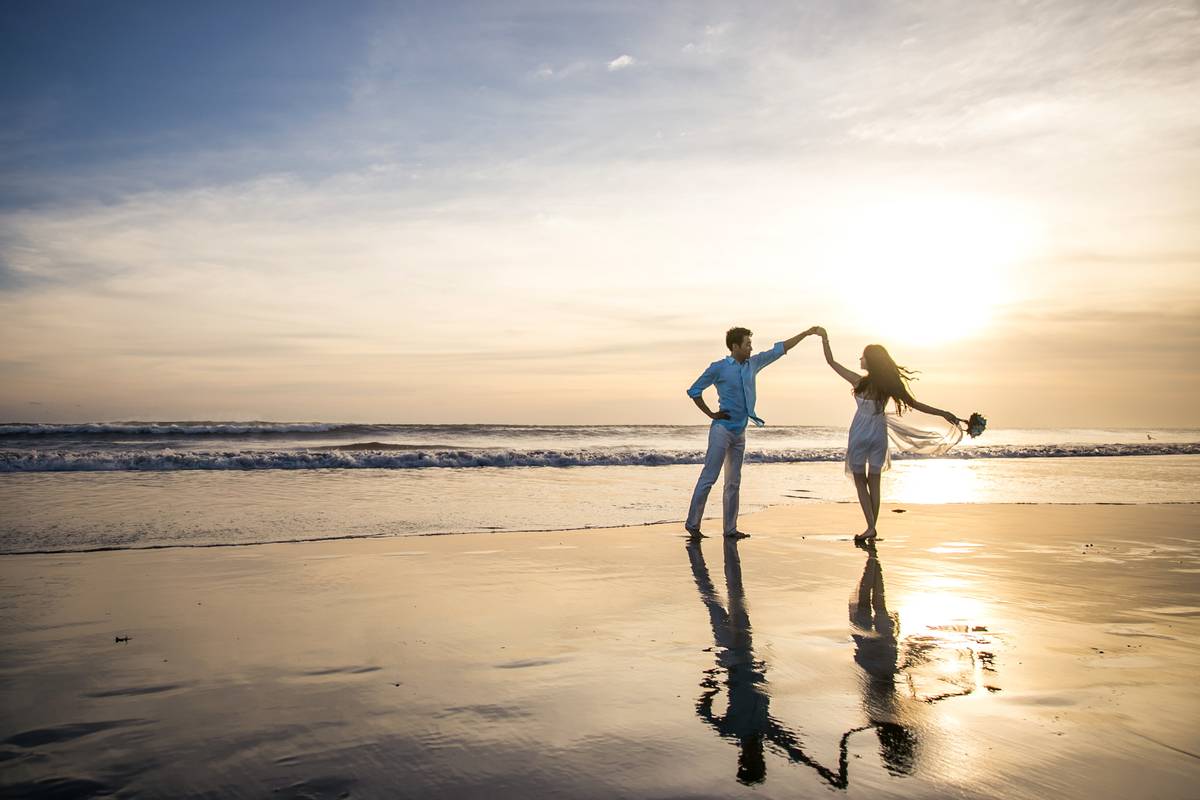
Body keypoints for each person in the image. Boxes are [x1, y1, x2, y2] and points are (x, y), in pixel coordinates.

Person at [815, 328, 962, 542]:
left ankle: (870, 527)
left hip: (860, 433)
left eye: (863, 356)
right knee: (875, 482)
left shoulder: (858, 381)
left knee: (860, 481)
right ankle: (872, 528)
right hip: (878, 434)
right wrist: (944, 413)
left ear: (870, 361)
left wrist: (824, 337)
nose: (860, 359)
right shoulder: (889, 386)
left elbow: (831, 362)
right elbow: (916, 404)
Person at [685, 326, 817, 538]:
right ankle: (693, 524)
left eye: (750, 344)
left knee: (733, 482)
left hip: (740, 432)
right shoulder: (719, 368)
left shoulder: (752, 364)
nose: (751, 348)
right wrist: (711, 413)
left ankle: (730, 529)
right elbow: (694, 390)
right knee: (709, 477)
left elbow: (779, 350)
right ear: (735, 346)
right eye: (747, 344)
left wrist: (806, 334)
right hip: (722, 431)